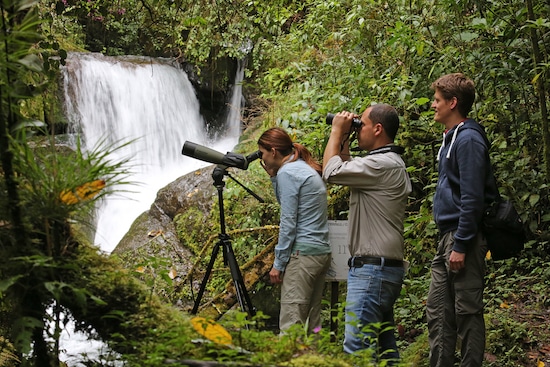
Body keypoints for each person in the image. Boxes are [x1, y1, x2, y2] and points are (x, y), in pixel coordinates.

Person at [322, 103, 411, 364]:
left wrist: (336, 132)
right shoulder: (384, 164)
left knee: (357, 349)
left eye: (361, 124)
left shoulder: (382, 165)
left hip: (373, 272)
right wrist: (346, 143)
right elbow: (347, 168)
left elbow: (331, 172)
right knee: (385, 351)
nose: (358, 129)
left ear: (378, 129)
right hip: (380, 270)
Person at [426, 73, 498, 367]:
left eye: (437, 100)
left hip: (461, 237)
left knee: (467, 311)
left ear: (453, 103)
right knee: (438, 310)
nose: (433, 105)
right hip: (448, 236)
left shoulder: (468, 139)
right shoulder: (450, 139)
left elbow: (472, 197)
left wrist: (462, 244)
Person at [257, 127, 332, 334]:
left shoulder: (288, 173)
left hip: (302, 255)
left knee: (291, 324)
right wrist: (274, 176)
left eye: (262, 154)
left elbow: (289, 221)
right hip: (320, 252)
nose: (261, 159)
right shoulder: (301, 168)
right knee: (312, 323)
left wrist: (278, 264)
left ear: (273, 151)